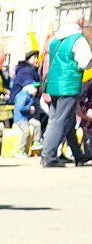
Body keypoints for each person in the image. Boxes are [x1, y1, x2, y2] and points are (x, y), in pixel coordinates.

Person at [40, 10, 92, 168]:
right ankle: (48, 156)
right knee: (59, 120)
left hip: (54, 84)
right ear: (80, 23)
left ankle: (78, 154)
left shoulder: (56, 39)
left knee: (64, 120)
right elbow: (85, 62)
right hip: (69, 84)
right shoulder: (78, 39)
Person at [12, 82, 42, 158]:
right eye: (34, 88)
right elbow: (20, 108)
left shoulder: (29, 96)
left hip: (27, 118)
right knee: (26, 132)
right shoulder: (23, 96)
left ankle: (36, 142)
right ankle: (21, 150)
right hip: (21, 119)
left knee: (37, 124)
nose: (36, 90)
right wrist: (29, 109)